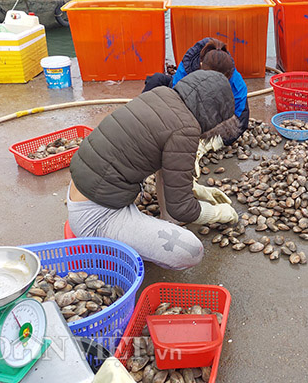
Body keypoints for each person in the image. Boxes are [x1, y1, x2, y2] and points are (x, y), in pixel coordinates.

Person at [67, 70, 240, 270]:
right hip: (96, 218)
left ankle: (161, 224)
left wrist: (197, 191)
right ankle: (113, 247)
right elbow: (182, 209)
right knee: (192, 251)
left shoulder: (161, 94)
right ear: (213, 114)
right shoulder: (186, 129)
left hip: (83, 191)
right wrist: (217, 213)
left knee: (171, 215)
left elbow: (166, 168)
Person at [143, 38, 249, 145]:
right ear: (201, 66)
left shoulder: (232, 76)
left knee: (241, 117)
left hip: (214, 101)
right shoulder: (187, 67)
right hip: (189, 94)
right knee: (156, 80)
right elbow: (176, 103)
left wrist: (216, 142)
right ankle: (144, 124)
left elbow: (241, 115)